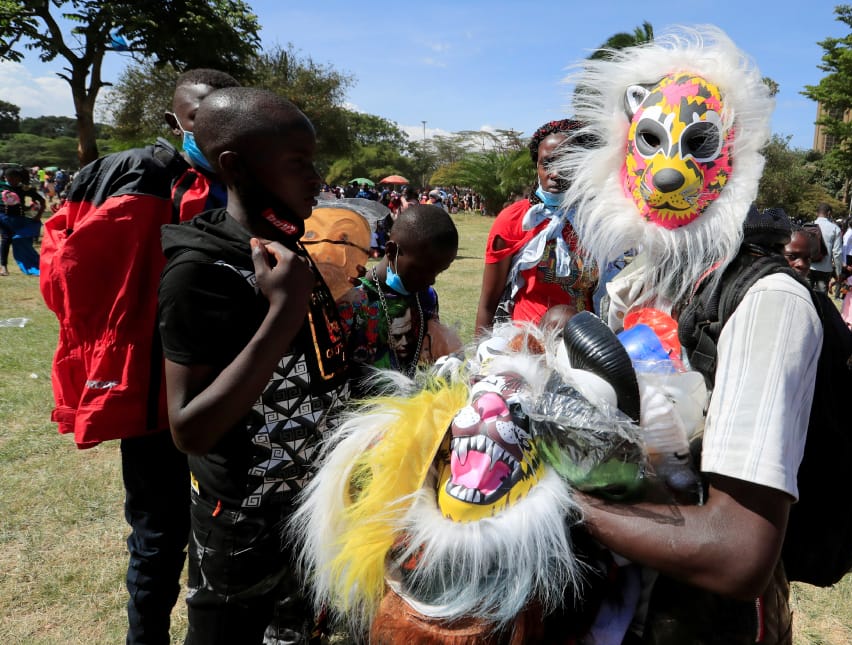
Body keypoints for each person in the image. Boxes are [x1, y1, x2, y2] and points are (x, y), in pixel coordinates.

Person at [553, 27, 817, 642]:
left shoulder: (768, 302)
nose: (670, 171)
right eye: (650, 141)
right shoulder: (636, 283)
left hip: (699, 623)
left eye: (699, 145)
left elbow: (738, 552)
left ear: (734, 153)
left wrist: (561, 503)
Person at [39, 68, 240, 645]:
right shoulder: (137, 173)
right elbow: (67, 267)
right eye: (199, 117)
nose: (212, 129)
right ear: (177, 120)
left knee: (225, 529)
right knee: (158, 536)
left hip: (231, 389)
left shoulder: (246, 181)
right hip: (153, 391)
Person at [157, 87, 350, 644]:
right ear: (235, 166)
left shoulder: (284, 245)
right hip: (242, 518)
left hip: (307, 501)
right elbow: (189, 429)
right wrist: (284, 311)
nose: (316, 178)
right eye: (297, 163)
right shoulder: (201, 272)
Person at [474, 119, 598, 336]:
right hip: (525, 344)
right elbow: (488, 302)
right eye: (546, 163)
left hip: (585, 343)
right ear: (537, 166)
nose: (555, 173)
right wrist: (479, 351)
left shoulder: (597, 221)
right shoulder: (515, 219)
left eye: (566, 163)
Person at [337, 203, 460, 378]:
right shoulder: (353, 299)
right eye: (421, 270)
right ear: (391, 251)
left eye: (438, 271)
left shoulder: (426, 297)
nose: (431, 280)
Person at [0, 166, 45, 275]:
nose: (13, 181)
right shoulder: (1, 186)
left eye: (16, 178)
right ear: (6, 177)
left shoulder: (23, 188)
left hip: (19, 219)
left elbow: (42, 200)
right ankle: (3, 267)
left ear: (19, 178)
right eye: (10, 178)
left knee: (24, 240)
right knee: (6, 238)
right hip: (3, 217)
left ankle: (31, 263)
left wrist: (38, 215)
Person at [808, 203, 843, 296]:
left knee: (806, 295)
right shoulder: (835, 228)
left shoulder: (808, 225)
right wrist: (838, 272)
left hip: (808, 266)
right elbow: (837, 253)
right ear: (829, 213)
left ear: (817, 213)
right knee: (821, 299)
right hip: (825, 268)